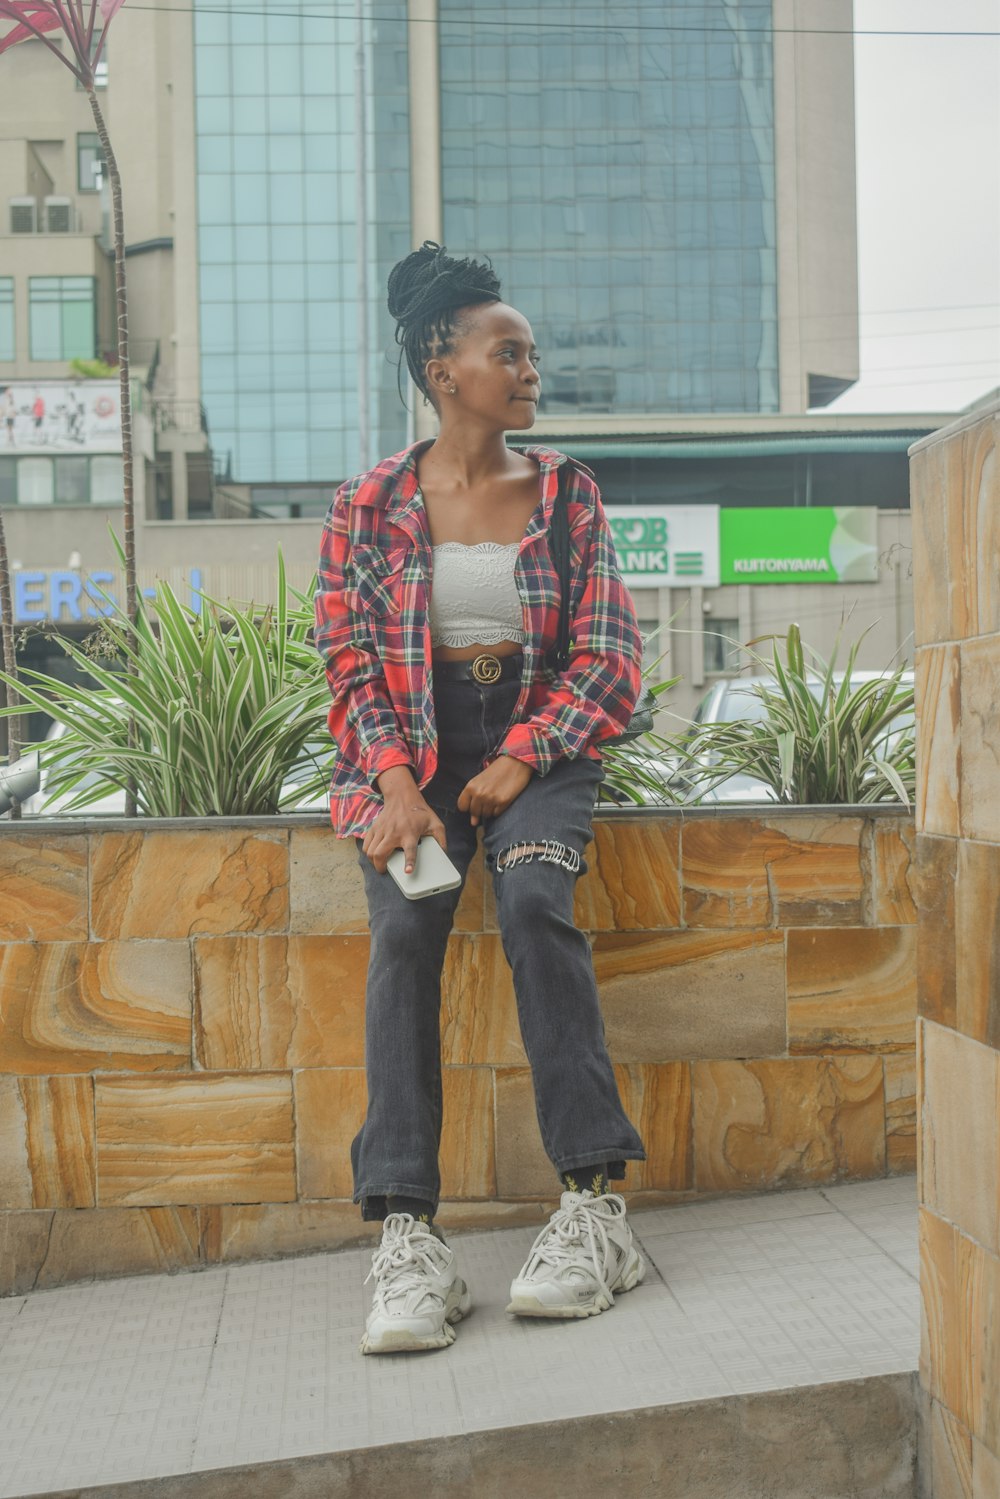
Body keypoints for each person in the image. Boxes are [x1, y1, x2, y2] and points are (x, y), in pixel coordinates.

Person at [314, 241, 648, 1357]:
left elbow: (608, 659)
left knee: (533, 906)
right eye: (506, 351)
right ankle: (409, 1238)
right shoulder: (365, 505)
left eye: (531, 354)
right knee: (405, 935)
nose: (528, 368)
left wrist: (523, 753)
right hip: (410, 758)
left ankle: (595, 1205)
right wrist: (398, 783)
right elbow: (347, 661)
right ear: (440, 365)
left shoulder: (564, 494)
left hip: (538, 755)